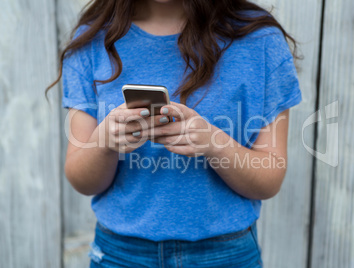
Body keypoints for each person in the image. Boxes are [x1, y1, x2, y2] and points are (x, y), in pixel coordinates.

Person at [46, 0, 302, 267]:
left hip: (225, 255)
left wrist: (213, 143)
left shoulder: (260, 41)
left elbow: (269, 180)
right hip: (121, 255)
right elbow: (82, 181)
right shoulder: (93, 38)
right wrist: (104, 143)